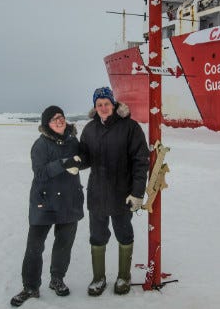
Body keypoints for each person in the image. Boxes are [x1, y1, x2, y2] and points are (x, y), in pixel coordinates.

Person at [10, 106, 85, 307]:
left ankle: (57, 279)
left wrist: (83, 160)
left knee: (63, 245)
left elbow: (82, 161)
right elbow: (40, 173)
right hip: (44, 203)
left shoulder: (73, 141)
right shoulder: (40, 145)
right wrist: (63, 163)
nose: (58, 121)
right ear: (47, 125)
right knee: (34, 247)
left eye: (60, 117)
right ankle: (30, 286)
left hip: (69, 201)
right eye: (53, 119)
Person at [79, 87, 149, 296]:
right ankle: (98, 278)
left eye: (106, 103)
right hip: (97, 194)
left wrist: (137, 193)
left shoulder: (130, 127)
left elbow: (140, 162)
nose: (103, 107)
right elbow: (84, 158)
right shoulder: (89, 129)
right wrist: (73, 160)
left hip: (122, 194)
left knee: (124, 234)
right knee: (97, 237)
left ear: (113, 104)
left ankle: (123, 277)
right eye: (99, 104)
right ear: (95, 107)